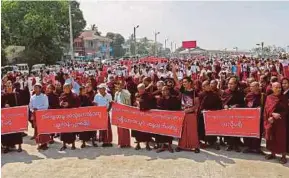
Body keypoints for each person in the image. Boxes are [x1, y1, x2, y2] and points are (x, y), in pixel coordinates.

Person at [264, 82, 288, 164]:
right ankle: (273, 154)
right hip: (270, 120)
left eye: (280, 87)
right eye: (276, 87)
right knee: (271, 137)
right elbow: (266, 109)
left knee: (281, 138)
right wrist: (271, 115)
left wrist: (278, 114)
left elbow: (286, 110)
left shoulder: (284, 97)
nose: (279, 89)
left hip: (280, 121)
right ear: (272, 88)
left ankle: (283, 156)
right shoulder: (269, 97)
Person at [221, 77, 245, 152]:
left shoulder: (240, 93)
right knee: (229, 129)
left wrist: (236, 106)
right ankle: (229, 144)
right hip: (228, 114)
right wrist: (225, 105)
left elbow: (242, 103)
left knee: (236, 129)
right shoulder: (225, 92)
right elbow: (222, 101)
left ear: (235, 84)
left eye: (231, 84)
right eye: (229, 84)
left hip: (237, 114)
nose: (229, 85)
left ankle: (236, 145)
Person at [197, 80, 223, 150]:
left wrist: (212, 111)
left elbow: (219, 105)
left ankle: (212, 142)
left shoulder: (215, 95)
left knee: (212, 129)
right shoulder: (201, 94)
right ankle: (203, 141)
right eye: (202, 86)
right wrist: (202, 110)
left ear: (209, 86)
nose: (203, 87)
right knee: (202, 129)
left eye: (205, 86)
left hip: (212, 116)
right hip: (203, 115)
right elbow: (199, 105)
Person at [156, 86, 181, 153]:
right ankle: (163, 146)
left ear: (168, 91)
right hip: (162, 119)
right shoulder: (160, 99)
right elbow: (158, 109)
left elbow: (177, 108)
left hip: (171, 119)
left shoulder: (173, 98)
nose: (163, 92)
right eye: (162, 91)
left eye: (165, 90)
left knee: (170, 132)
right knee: (162, 132)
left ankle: (169, 145)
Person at [1, 81, 23, 153]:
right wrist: (4, 106)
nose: (9, 87)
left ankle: (19, 146)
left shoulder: (17, 95)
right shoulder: (3, 96)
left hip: (15, 115)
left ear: (12, 87)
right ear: (5, 87)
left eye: (10, 85)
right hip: (7, 117)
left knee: (17, 130)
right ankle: (7, 146)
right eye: (7, 86)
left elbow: (20, 105)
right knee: (7, 131)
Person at [243, 82, 265, 154]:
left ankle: (256, 148)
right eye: (250, 86)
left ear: (257, 87)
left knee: (258, 132)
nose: (250, 88)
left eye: (252, 86)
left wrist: (260, 108)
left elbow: (266, 107)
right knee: (249, 132)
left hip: (259, 118)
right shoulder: (249, 95)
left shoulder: (262, 96)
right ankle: (249, 147)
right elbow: (245, 105)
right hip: (250, 118)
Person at [132, 83, 155, 150]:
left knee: (146, 130)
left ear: (144, 89)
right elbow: (134, 104)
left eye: (141, 89)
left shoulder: (148, 95)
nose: (140, 90)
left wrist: (141, 102)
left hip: (146, 115)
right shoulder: (137, 95)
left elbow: (149, 104)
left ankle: (147, 144)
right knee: (138, 130)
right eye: (139, 89)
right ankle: (138, 144)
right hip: (138, 116)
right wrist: (135, 103)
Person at [59, 83, 81, 151]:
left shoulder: (74, 95)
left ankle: (73, 145)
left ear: (70, 88)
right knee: (64, 130)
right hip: (64, 116)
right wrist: (61, 103)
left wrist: (69, 104)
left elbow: (77, 104)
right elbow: (60, 102)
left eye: (67, 88)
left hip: (71, 116)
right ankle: (64, 145)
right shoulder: (62, 95)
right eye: (64, 88)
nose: (66, 89)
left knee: (72, 130)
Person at [29, 83, 51, 150]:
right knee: (37, 130)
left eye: (37, 87)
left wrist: (38, 108)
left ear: (40, 88)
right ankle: (39, 143)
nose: (35, 89)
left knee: (44, 130)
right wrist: (33, 110)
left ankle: (45, 144)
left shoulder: (44, 96)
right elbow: (30, 106)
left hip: (43, 115)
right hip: (35, 115)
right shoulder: (32, 97)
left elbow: (46, 106)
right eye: (34, 87)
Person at [114, 81, 131, 148]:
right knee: (119, 128)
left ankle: (127, 143)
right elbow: (115, 102)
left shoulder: (126, 92)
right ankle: (121, 143)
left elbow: (128, 101)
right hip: (118, 112)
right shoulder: (116, 93)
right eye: (117, 85)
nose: (119, 86)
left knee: (125, 128)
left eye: (120, 85)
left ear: (123, 85)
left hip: (125, 112)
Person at [281, 78, 289, 153]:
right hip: (284, 115)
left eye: (286, 83)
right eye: (283, 83)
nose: (284, 85)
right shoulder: (281, 92)